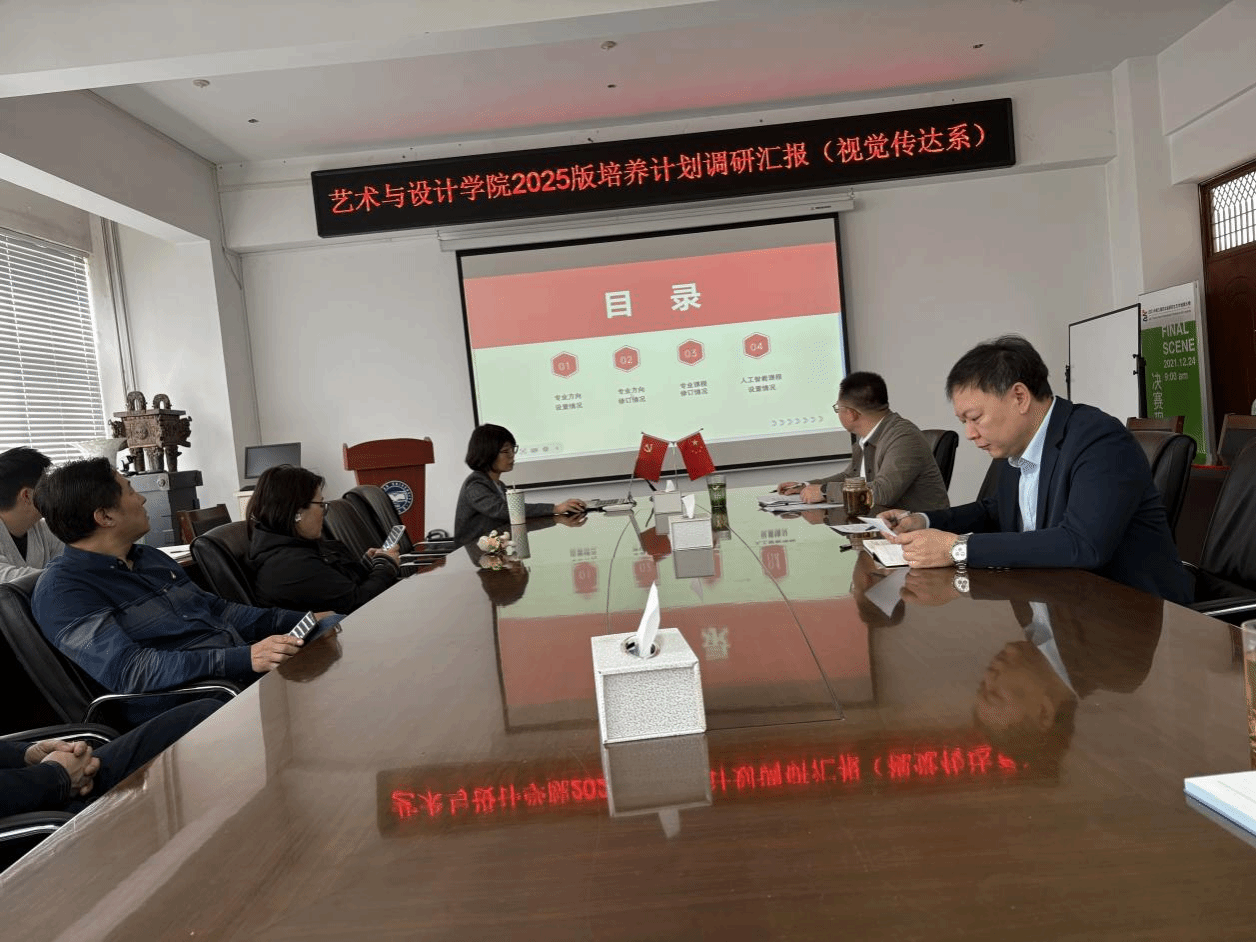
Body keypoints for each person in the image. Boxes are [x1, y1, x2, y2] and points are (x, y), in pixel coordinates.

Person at [881, 335, 1193, 603]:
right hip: (1054, 605)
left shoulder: (1098, 440)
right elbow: (996, 512)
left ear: (1019, 397)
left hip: (1127, 615)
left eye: (975, 418)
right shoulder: (1019, 446)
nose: (970, 433)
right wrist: (923, 520)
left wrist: (956, 549)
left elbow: (1082, 544)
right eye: (964, 422)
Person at [31, 458, 318, 696]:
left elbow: (218, 610)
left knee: (326, 634)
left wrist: (300, 619)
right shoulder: (62, 591)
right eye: (131, 491)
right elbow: (131, 670)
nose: (142, 498)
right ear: (105, 517)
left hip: (238, 676)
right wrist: (243, 658)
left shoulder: (150, 558)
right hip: (195, 701)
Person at [0, 699, 219, 818]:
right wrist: (56, 775)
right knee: (183, 812)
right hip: (25, 824)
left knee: (202, 716)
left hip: (31, 777)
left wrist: (26, 755)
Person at [777, 372, 950, 512]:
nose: (838, 413)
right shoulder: (868, 437)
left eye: (838, 408)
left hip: (920, 534)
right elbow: (850, 477)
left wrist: (824, 491)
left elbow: (883, 492)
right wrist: (807, 486)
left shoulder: (903, 437)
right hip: (886, 526)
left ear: (851, 414)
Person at [247, 465, 401, 614]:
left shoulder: (291, 548)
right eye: (320, 504)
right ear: (297, 511)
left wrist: (365, 566)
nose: (324, 512)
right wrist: (386, 567)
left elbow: (338, 587)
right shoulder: (290, 565)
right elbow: (358, 603)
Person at [454, 424, 585, 542]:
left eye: (513, 449)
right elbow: (505, 511)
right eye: (506, 451)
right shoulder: (475, 484)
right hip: (475, 551)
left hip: (496, 547)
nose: (512, 455)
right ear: (487, 453)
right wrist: (555, 508)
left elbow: (513, 514)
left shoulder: (499, 485)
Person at [0, 447, 65, 584]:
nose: (54, 494)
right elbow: (6, 580)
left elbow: (71, 564)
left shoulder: (45, 530)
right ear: (27, 496)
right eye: (47, 488)